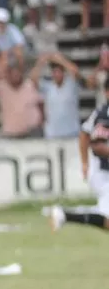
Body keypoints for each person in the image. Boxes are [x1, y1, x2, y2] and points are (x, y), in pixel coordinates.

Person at [46, 94, 109, 232]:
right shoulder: (104, 114)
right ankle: (64, 214)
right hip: (103, 172)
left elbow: (84, 133)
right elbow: (96, 144)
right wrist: (85, 163)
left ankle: (65, 214)